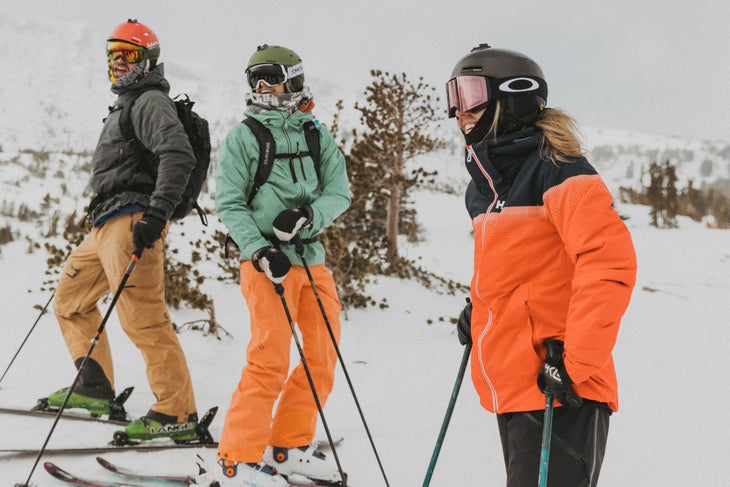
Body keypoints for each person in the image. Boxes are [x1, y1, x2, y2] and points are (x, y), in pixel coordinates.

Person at [448, 43, 637, 486]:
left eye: (472, 94)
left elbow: (609, 266)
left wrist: (574, 363)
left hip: (563, 389)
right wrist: (481, 312)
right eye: (453, 95)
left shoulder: (562, 171)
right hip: (518, 387)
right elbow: (520, 274)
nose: (459, 110)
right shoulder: (486, 190)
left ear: (513, 97)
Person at [46, 19, 199, 441]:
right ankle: (94, 387)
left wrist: (157, 214)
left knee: (143, 320)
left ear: (146, 60)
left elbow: (177, 155)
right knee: (70, 300)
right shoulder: (125, 103)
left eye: (127, 54)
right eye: (112, 54)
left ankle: (176, 413)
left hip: (133, 221)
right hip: (105, 224)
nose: (117, 63)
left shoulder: (149, 100)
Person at [214, 44, 351, 486]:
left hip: (311, 260)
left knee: (321, 356)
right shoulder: (244, 136)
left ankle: (288, 447)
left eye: (269, 76)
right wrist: (259, 249)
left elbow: (339, 192)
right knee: (269, 358)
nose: (261, 86)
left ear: (292, 77)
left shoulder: (317, 133)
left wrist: (310, 216)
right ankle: (238, 458)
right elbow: (230, 204)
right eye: (254, 79)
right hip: (266, 263)